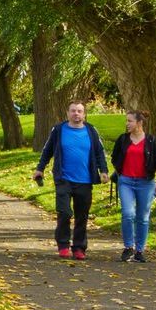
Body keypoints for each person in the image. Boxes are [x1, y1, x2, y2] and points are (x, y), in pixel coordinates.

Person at [34, 100, 109, 260]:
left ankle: (79, 248)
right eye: (73, 111)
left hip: (85, 180)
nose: (76, 114)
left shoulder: (91, 131)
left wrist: (103, 171)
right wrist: (40, 168)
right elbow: (47, 150)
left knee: (82, 215)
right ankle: (63, 245)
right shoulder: (59, 130)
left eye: (79, 111)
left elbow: (99, 153)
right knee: (64, 212)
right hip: (64, 178)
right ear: (67, 113)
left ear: (84, 114)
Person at [109, 109, 156, 263]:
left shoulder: (152, 141)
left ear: (139, 123)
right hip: (126, 181)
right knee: (128, 214)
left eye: (130, 121)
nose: (127, 124)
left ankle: (140, 250)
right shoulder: (123, 139)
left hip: (145, 183)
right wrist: (119, 171)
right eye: (126, 121)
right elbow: (115, 158)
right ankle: (128, 247)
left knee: (143, 217)